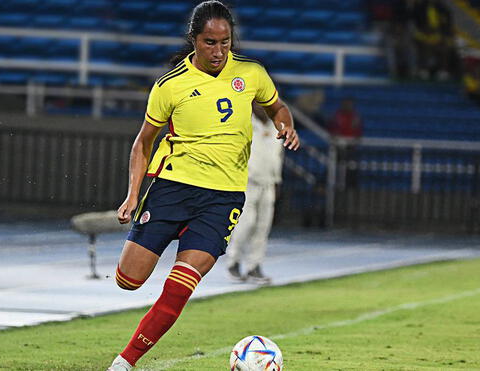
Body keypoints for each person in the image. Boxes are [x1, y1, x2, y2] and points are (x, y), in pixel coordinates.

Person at [107, 2, 300, 370]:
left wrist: (285, 124)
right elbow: (142, 143)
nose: (219, 51)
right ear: (194, 40)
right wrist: (133, 195)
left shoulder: (251, 73)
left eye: (225, 42)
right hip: (172, 187)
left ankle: (125, 363)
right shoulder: (170, 85)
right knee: (128, 281)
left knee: (181, 286)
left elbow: (277, 107)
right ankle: (162, 231)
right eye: (210, 42)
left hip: (222, 198)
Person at [226, 103, 284, 284]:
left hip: (268, 183)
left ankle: (254, 266)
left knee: (262, 226)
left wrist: (277, 180)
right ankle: (233, 262)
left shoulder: (277, 126)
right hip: (247, 182)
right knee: (245, 224)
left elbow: (278, 156)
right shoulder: (243, 123)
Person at [328, 98, 362, 189]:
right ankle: (336, 185)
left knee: (351, 166)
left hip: (350, 146)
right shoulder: (337, 115)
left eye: (349, 104)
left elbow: (357, 133)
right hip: (339, 145)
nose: (347, 106)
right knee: (337, 165)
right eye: (346, 104)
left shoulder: (355, 117)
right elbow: (332, 129)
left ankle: (351, 186)